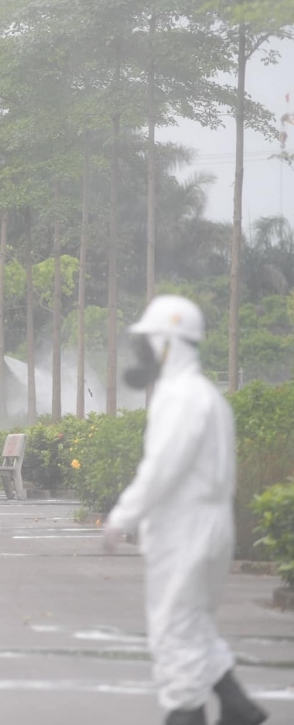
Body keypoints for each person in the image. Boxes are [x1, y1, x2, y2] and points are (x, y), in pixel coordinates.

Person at [103, 296, 267, 725]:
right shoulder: (207, 396)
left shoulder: (179, 397)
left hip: (185, 528)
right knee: (195, 627)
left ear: (168, 345)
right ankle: (238, 707)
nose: (142, 356)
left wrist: (122, 517)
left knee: (174, 632)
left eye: (147, 345)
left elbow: (162, 468)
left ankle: (185, 716)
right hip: (210, 526)